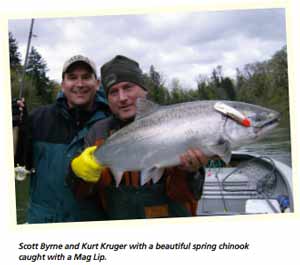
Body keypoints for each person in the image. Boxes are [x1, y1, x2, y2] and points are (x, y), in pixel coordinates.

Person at [70, 55, 208, 220]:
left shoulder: (175, 125)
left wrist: (190, 173)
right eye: (113, 92)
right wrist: (78, 175)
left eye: (128, 87)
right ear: (107, 99)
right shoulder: (98, 134)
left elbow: (186, 196)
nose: (122, 98)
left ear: (144, 90)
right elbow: (84, 195)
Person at [14, 55, 110, 224]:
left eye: (86, 77)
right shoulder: (37, 118)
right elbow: (19, 161)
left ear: (97, 83)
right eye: (72, 77)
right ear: (63, 84)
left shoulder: (111, 123)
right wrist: (11, 125)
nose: (79, 84)